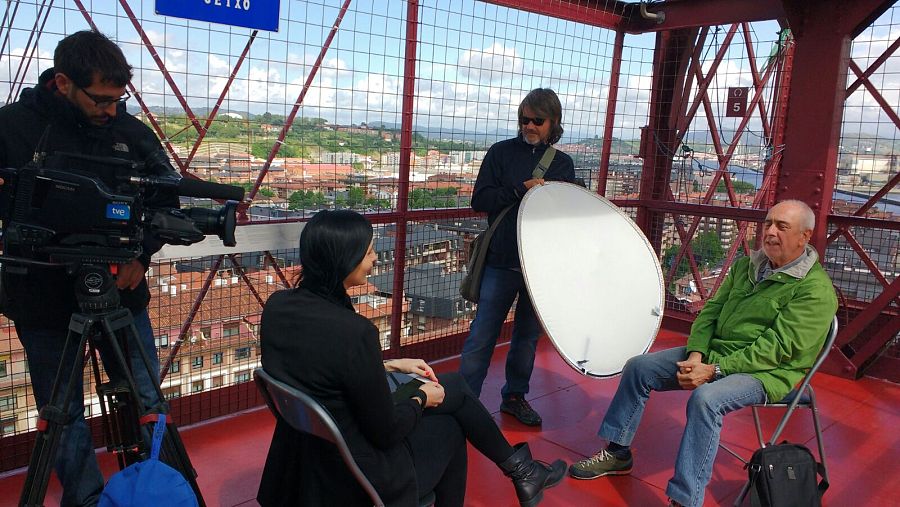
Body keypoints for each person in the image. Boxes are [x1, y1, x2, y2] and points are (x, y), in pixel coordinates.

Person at [257, 210, 567, 507]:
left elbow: (318, 367)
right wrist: (420, 397)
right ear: (343, 261)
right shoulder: (355, 331)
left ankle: (523, 472)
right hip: (356, 473)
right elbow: (387, 430)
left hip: (304, 460)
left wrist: (388, 365)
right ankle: (523, 473)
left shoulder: (278, 306)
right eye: (368, 253)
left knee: (455, 385)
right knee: (452, 426)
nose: (375, 259)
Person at [0, 31, 179, 506]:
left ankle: (159, 491)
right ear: (62, 82)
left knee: (146, 398)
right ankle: (85, 500)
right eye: (101, 99)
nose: (110, 111)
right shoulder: (11, 128)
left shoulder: (131, 132)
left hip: (120, 291)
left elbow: (167, 199)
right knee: (62, 413)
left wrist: (141, 256)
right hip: (43, 298)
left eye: (118, 99)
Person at [567, 200, 838, 507]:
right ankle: (617, 453)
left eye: (782, 227)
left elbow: (775, 350)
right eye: (768, 224)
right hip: (716, 354)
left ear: (805, 236)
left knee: (706, 400)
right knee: (639, 368)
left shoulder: (814, 290)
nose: (771, 232)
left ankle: (685, 499)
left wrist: (714, 370)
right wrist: (697, 354)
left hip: (769, 373)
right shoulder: (747, 265)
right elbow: (710, 312)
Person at [459, 88, 576, 426]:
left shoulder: (562, 164)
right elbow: (480, 199)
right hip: (503, 258)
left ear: (552, 122)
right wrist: (520, 189)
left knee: (526, 336)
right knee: (483, 333)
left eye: (536, 120)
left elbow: (564, 213)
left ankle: (514, 396)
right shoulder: (500, 153)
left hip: (539, 265)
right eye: (524, 119)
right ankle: (466, 402)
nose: (529, 125)